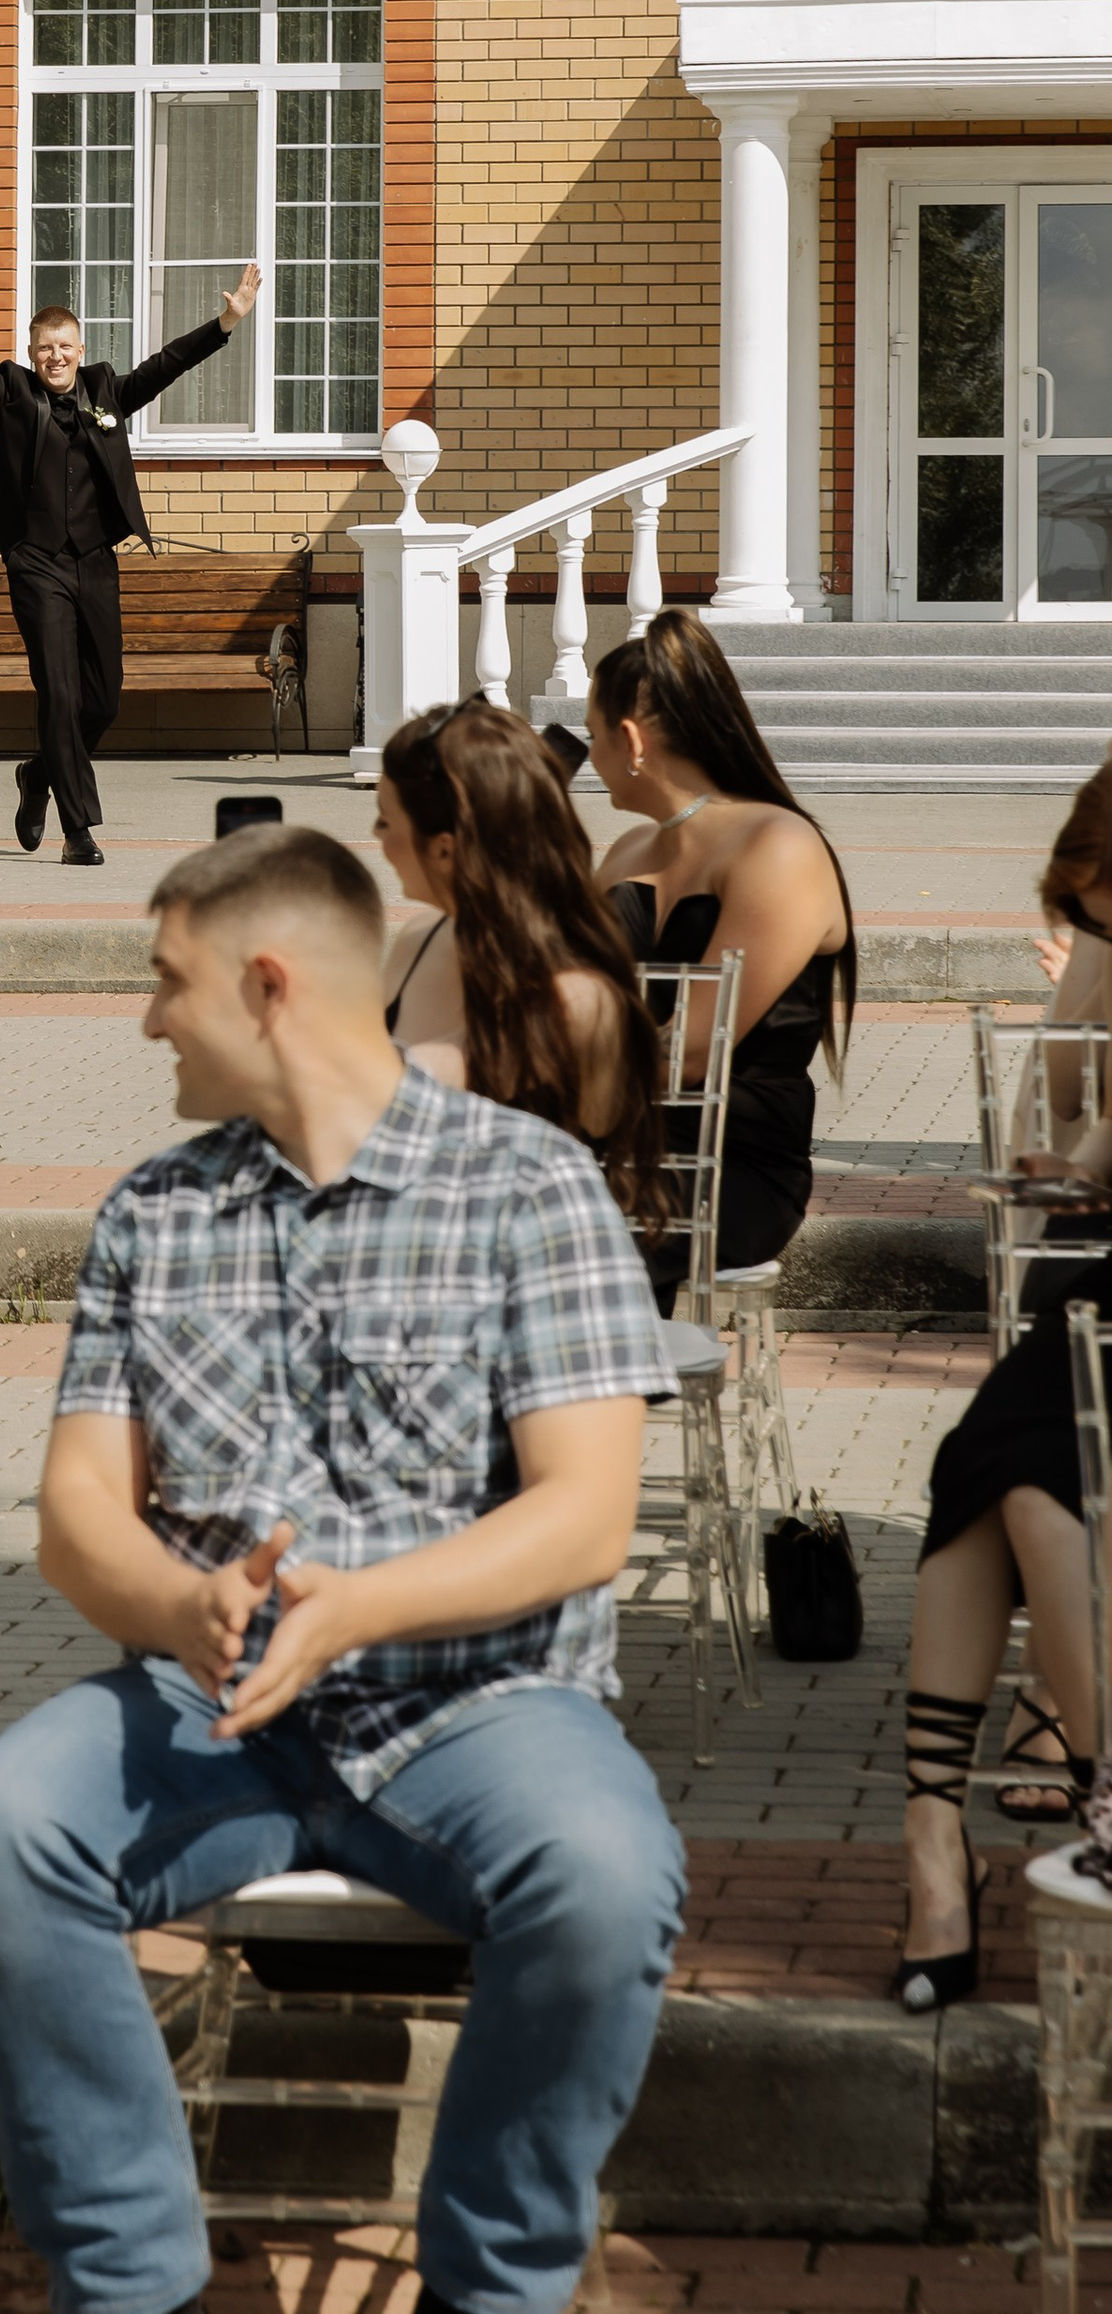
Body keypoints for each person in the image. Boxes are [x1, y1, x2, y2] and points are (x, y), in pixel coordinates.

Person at [0, 823, 683, 2314]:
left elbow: (587, 1515)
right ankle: (135, 2283)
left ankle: (497, 2286)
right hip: (210, 1709)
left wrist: (360, 1608)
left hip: (480, 1703)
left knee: (604, 1881)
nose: (148, 1020)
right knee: (0, 1834)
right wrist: (179, 1603)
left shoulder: (526, 1187)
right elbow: (79, 1513)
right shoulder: (158, 1211)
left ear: (267, 984)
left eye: (166, 984)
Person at [891, 760, 1112, 2006]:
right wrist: (1070, 1165)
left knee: (1009, 1477)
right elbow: (1072, 1125)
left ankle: (950, 1838)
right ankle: (941, 1836)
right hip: (1098, 1292)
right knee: (999, 1464)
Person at [0, 236, 263, 866]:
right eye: (44, 348)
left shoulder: (106, 392)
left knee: (105, 698)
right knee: (58, 692)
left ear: (80, 350)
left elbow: (165, 365)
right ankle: (79, 829)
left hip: (95, 561)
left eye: (65, 347)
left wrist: (226, 323)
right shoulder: (11, 394)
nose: (55, 356)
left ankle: (37, 775)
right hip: (34, 562)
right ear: (32, 356)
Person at [588, 605, 854, 1277]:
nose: (588, 758)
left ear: (630, 739)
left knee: (535, 1239)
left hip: (728, 1168)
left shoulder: (777, 845)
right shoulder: (625, 853)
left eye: (592, 737)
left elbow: (694, 1053)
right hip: (609, 1149)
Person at [374, 699, 666, 1220]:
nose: (377, 838)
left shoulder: (577, 997)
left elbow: (594, 1150)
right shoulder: (418, 936)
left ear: (444, 849)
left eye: (384, 820)